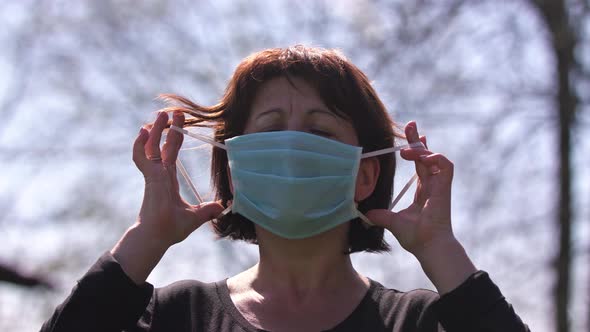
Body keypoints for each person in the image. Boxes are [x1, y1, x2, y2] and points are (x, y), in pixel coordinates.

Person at [41, 45, 529, 332]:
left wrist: (442, 252)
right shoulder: (173, 316)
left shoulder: (418, 321)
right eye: (271, 131)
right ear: (235, 167)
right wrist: (145, 239)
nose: (291, 149)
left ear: (365, 174)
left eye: (319, 133)